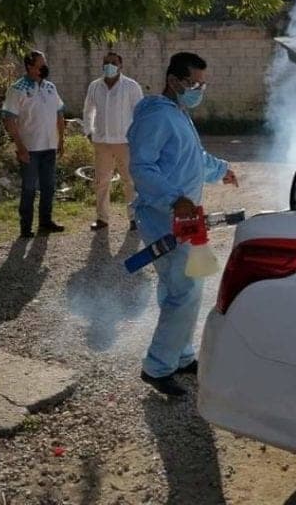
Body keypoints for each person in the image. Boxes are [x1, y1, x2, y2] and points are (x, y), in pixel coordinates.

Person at [127, 52, 238, 397]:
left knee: (183, 288)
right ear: (174, 81)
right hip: (165, 216)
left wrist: (220, 170)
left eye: (203, 84)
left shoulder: (178, 113)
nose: (198, 90)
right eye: (193, 83)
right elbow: (141, 168)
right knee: (185, 290)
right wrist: (176, 198)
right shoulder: (157, 115)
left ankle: (181, 354)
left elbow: (192, 158)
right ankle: (157, 367)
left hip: (186, 217)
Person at [2, 50, 66, 238]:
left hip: (49, 146)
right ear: (30, 66)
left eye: (45, 64)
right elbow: (9, 120)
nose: (45, 68)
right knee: (29, 188)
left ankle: (45, 222)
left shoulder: (50, 87)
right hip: (30, 149)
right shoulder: (17, 89)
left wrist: (61, 139)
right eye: (41, 65)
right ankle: (25, 227)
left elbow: (59, 114)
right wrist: (20, 147)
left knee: (48, 186)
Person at [82, 51, 143, 232]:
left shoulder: (131, 86)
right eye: (106, 62)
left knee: (130, 181)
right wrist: (89, 131)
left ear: (120, 65)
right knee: (101, 181)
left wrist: (137, 137)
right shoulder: (95, 86)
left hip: (125, 141)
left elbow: (140, 113)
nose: (109, 65)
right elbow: (88, 110)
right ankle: (102, 219)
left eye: (113, 62)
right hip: (101, 141)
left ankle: (134, 218)